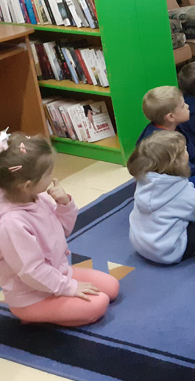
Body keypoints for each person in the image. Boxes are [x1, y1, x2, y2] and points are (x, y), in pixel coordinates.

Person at [0, 131, 119, 327]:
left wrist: (64, 204)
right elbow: (32, 271)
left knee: (112, 287)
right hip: (31, 297)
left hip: (58, 274)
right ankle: (33, 315)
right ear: (27, 185)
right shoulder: (11, 224)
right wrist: (69, 287)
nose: (53, 177)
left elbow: (62, 231)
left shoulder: (37, 197)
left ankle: (62, 301)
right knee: (99, 304)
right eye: (48, 174)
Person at [127, 130, 195, 264]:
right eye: (184, 150)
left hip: (139, 243)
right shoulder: (188, 195)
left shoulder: (143, 180)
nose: (187, 150)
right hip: (168, 253)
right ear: (177, 162)